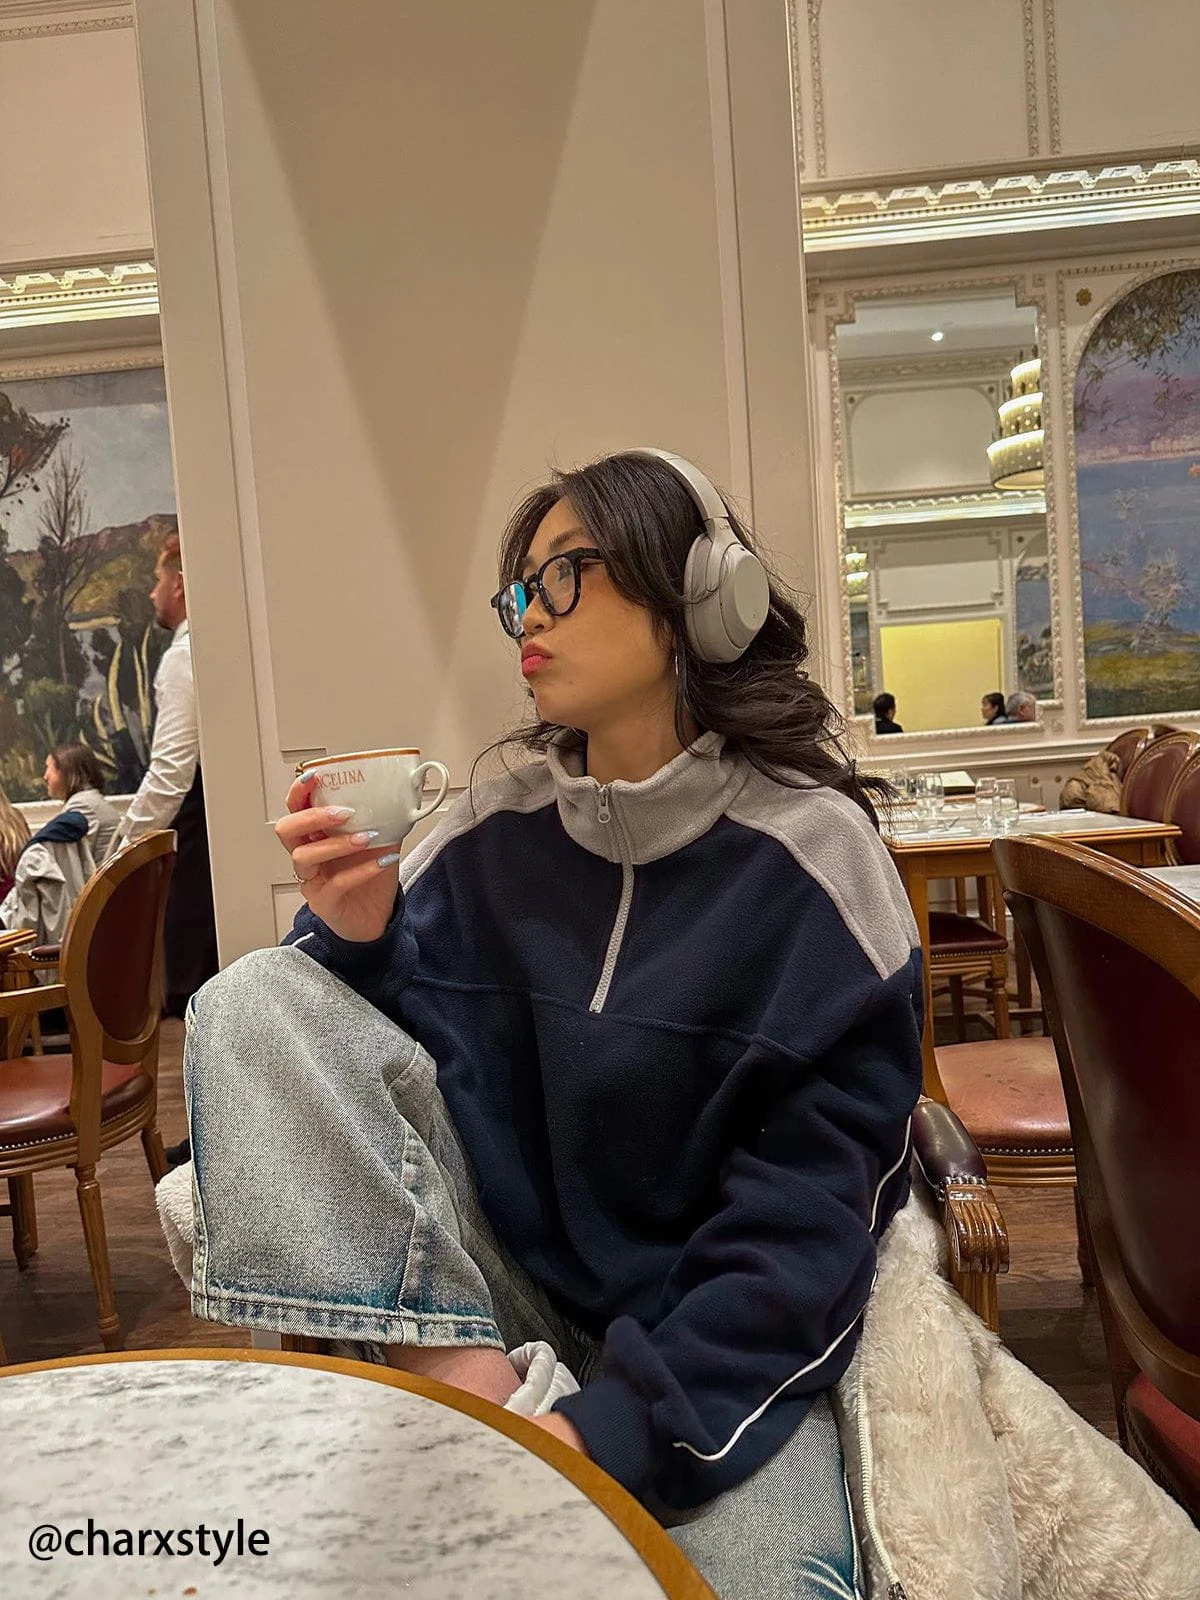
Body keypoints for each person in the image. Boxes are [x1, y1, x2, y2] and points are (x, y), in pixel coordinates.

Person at [179, 450, 923, 1600]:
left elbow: (806, 1230)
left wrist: (602, 1433)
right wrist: (362, 936)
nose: (528, 613)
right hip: (490, 1304)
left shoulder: (821, 868)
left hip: (695, 1354)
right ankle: (470, 1401)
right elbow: (338, 1057)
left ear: (702, 595)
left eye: (566, 573)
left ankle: (495, 1454)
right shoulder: (487, 830)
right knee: (250, 999)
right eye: (521, 588)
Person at [109, 531, 217, 1165]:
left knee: (200, 996)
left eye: (156, 581)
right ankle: (217, 1138)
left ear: (178, 584)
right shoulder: (214, 652)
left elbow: (172, 771)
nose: (152, 594)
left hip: (197, 849)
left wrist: (121, 850)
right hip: (208, 841)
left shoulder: (182, 658)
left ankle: (212, 1144)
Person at [43, 743, 120, 862]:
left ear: (65, 771)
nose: (45, 776)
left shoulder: (82, 806)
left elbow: (71, 863)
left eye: (48, 768)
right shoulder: (90, 801)